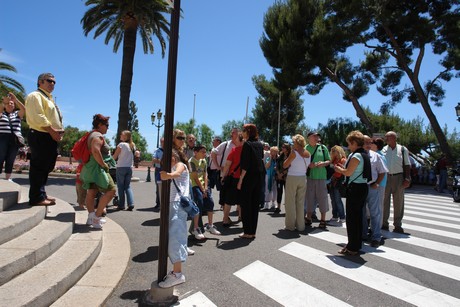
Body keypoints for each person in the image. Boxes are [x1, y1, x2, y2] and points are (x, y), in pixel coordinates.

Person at [25, 73, 64, 206]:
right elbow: (38, 116)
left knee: (46, 166)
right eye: (49, 81)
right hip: (40, 134)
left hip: (49, 136)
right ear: (40, 82)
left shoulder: (48, 98)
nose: (52, 84)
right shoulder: (35, 96)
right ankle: (36, 197)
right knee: (39, 166)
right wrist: (52, 131)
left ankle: (41, 193)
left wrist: (58, 132)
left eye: (54, 82)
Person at [334, 130, 371, 255]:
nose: (349, 146)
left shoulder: (356, 156)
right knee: (357, 218)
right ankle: (354, 244)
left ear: (355, 143)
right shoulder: (365, 154)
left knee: (352, 219)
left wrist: (339, 169)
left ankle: (352, 247)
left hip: (355, 188)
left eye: (350, 144)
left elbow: (348, 172)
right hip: (362, 187)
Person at [158, 149, 189, 288]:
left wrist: (168, 175)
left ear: (174, 157)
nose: (165, 160)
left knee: (176, 237)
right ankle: (176, 272)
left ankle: (178, 274)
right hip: (173, 204)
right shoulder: (172, 167)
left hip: (177, 204)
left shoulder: (180, 164)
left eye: (168, 157)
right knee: (172, 237)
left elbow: (177, 173)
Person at [80, 114, 116, 229]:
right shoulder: (98, 136)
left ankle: (91, 217)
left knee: (91, 192)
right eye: (107, 125)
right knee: (111, 191)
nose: (108, 128)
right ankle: (97, 216)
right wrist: (103, 164)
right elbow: (96, 151)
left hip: (89, 168)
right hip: (97, 169)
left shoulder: (91, 134)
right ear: (100, 125)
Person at [237, 124, 265, 239]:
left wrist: (240, 180)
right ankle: (252, 231)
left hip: (249, 177)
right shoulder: (259, 144)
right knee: (254, 205)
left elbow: (245, 165)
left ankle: (247, 232)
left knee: (246, 204)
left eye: (244, 130)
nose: (242, 132)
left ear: (248, 132)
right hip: (259, 176)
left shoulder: (247, 144)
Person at [381, 131, 411, 233]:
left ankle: (397, 225)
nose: (386, 139)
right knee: (384, 201)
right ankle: (384, 223)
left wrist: (407, 178)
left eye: (388, 137)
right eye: (386, 138)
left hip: (398, 177)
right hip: (386, 177)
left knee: (398, 201)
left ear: (394, 138)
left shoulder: (402, 149)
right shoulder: (384, 149)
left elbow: (407, 164)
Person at [189, 144, 221, 237]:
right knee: (199, 204)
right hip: (195, 185)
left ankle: (210, 226)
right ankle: (196, 228)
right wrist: (203, 190)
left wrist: (206, 188)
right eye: (202, 152)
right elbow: (195, 178)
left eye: (205, 152)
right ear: (195, 152)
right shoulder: (191, 161)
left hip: (204, 186)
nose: (205, 154)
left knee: (210, 203)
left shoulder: (204, 160)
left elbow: (205, 174)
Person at [362, 135, 388, 248]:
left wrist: (376, 183)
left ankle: (376, 237)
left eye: (370, 142)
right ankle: (362, 234)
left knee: (375, 213)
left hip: (372, 187)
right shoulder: (356, 156)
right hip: (360, 188)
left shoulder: (376, 156)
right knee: (362, 213)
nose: (368, 144)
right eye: (365, 142)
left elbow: (382, 172)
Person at [283, 135, 311, 231]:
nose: (292, 144)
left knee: (290, 202)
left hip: (293, 177)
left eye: (293, 142)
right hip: (303, 178)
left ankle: (290, 226)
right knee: (300, 202)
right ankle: (300, 226)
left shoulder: (294, 153)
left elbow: (285, 165)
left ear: (297, 143)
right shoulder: (308, 153)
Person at [305, 131, 331, 228]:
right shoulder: (305, 148)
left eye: (317, 136)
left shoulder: (323, 148)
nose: (316, 137)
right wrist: (308, 165)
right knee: (309, 198)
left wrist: (323, 163)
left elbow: (329, 160)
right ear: (309, 137)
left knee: (322, 198)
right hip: (309, 177)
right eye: (314, 136)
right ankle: (308, 218)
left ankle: (323, 219)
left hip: (321, 177)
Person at [211, 128, 240, 207]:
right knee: (225, 195)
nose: (231, 134)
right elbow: (213, 153)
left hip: (238, 175)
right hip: (225, 175)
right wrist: (218, 166)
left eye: (234, 132)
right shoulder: (226, 144)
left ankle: (239, 214)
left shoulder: (242, 145)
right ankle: (225, 216)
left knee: (239, 195)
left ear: (239, 134)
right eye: (231, 132)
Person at [1, 92, 25, 182]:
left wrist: (16, 100)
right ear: (5, 105)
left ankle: (8, 177)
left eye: (12, 103)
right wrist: (3, 102)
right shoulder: (1, 114)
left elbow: (23, 109)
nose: (10, 104)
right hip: (3, 137)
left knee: (11, 158)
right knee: (1, 156)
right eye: (8, 103)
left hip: (15, 139)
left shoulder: (17, 114)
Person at [220, 132, 243, 226]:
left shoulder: (234, 150)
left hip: (233, 178)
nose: (234, 141)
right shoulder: (247, 151)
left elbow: (227, 164)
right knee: (242, 199)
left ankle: (225, 219)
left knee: (228, 200)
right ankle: (241, 216)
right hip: (244, 178)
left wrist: (223, 176)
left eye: (235, 139)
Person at [112, 130, 136, 211]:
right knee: (128, 186)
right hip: (129, 168)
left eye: (121, 134)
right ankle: (131, 203)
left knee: (120, 187)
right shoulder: (132, 145)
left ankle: (121, 205)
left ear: (125, 136)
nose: (120, 135)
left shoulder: (121, 144)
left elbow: (115, 156)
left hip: (121, 167)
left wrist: (108, 162)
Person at [328, 145, 347, 224]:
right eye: (332, 151)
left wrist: (337, 167)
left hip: (339, 181)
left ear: (338, 151)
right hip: (332, 181)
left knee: (338, 199)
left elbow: (343, 170)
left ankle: (342, 216)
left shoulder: (343, 160)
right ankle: (335, 215)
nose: (333, 153)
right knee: (333, 200)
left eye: (334, 151)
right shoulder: (333, 160)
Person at [274, 143, 291, 214]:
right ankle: (278, 207)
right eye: (282, 147)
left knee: (288, 193)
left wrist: (283, 173)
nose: (282, 148)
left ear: (287, 148)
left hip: (287, 177)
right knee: (279, 191)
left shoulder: (290, 156)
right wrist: (278, 173)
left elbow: (290, 166)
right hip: (279, 177)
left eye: (284, 147)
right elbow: (277, 166)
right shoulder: (280, 156)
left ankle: (288, 208)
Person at [263, 146, 279, 210]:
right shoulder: (268, 158)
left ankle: (273, 203)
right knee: (267, 188)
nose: (273, 153)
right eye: (272, 151)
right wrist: (270, 158)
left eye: (274, 151)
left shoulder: (278, 159)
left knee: (275, 190)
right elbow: (266, 166)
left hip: (275, 176)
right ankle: (266, 203)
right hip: (268, 175)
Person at [152, 137, 164, 210]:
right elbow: (153, 159)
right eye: (162, 142)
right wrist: (160, 161)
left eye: (164, 142)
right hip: (158, 169)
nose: (163, 143)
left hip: (166, 170)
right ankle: (158, 203)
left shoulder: (170, 150)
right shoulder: (157, 150)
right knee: (158, 187)